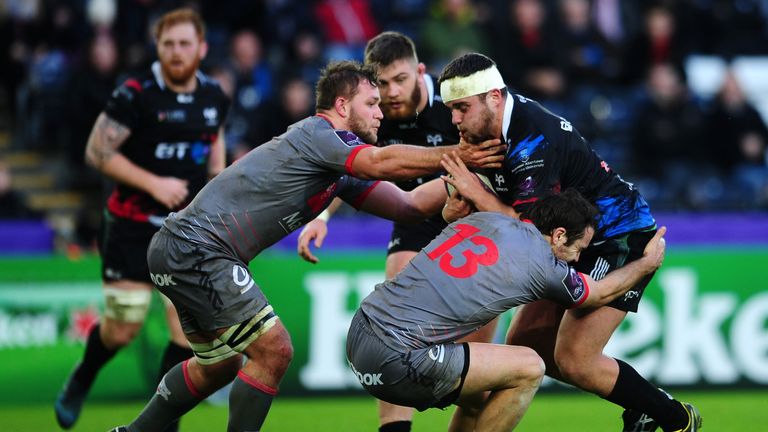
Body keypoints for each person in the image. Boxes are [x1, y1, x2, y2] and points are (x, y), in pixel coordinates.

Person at [108, 60, 505, 432]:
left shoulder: (340, 170)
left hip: (179, 248)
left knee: (217, 366)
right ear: (342, 104)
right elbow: (380, 163)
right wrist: (456, 154)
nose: (380, 114)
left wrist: (471, 170)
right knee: (274, 350)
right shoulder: (319, 134)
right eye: (371, 104)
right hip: (197, 248)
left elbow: (410, 206)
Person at [436, 53, 702, 432]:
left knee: (576, 359)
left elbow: (531, 232)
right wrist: (456, 204)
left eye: (461, 108)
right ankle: (645, 403)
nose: (454, 120)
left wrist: (475, 193)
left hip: (614, 236)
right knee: (527, 346)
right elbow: (493, 218)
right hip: (566, 238)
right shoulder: (483, 134)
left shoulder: (532, 139)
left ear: (494, 97)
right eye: (450, 109)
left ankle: (677, 419)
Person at [297, 31, 500, 432]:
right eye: (381, 84)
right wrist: (321, 218)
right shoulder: (372, 115)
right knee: (395, 330)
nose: (390, 93)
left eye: (400, 80)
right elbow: (351, 168)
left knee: (480, 372)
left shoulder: (455, 106)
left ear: (421, 72)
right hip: (414, 217)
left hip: (474, 219)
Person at [347, 190, 668, 432]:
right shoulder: (545, 266)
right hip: (399, 357)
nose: (574, 260)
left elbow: (449, 218)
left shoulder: (487, 220)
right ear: (558, 235)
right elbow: (600, 293)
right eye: (578, 249)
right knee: (529, 366)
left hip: (360, 333)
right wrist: (645, 264)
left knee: (478, 391)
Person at [54, 9, 229, 432]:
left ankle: (161, 420)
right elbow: (97, 152)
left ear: (201, 48)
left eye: (185, 43)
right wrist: (154, 184)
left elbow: (216, 163)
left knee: (183, 330)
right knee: (122, 330)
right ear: (158, 48)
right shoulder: (134, 93)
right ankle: (82, 377)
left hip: (181, 232)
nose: (176, 52)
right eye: (168, 44)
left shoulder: (214, 98)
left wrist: (221, 212)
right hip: (130, 226)